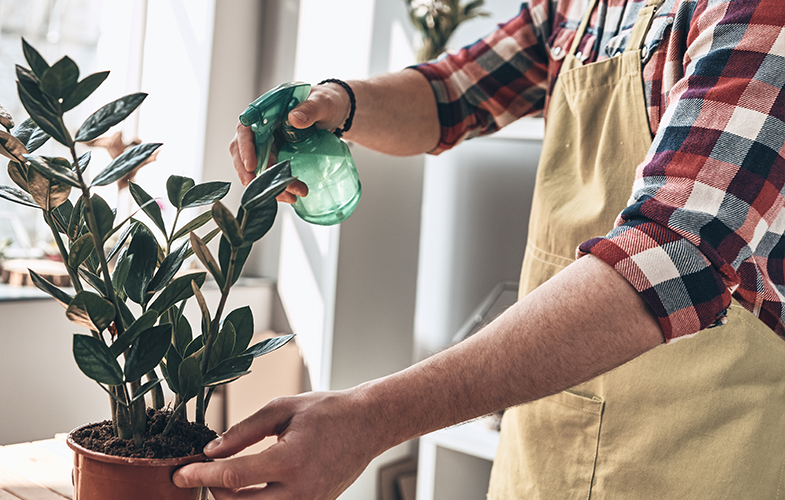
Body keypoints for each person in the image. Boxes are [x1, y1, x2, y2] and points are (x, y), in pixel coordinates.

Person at [173, 0, 785, 497]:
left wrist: (369, 418)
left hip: (697, 454)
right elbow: (454, 93)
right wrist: (340, 103)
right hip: (542, 440)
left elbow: (678, 255)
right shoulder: (582, 7)